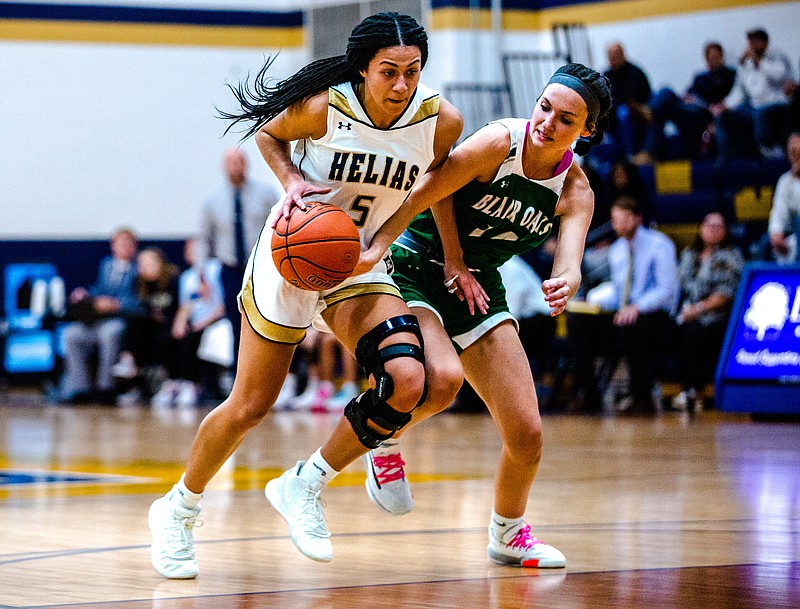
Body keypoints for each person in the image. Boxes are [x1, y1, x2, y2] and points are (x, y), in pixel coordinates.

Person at [148, 12, 463, 577]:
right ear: (362, 70)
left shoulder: (440, 122)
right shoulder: (328, 107)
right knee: (249, 406)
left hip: (359, 260)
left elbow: (435, 185)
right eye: (388, 72)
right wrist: (292, 182)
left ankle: (304, 483)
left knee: (411, 378)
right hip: (293, 254)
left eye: (412, 71)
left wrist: (405, 244)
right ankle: (179, 508)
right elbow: (268, 133)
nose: (401, 85)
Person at [356, 62, 612, 567]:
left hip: (478, 282)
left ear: (587, 130)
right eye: (544, 107)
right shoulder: (500, 142)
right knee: (438, 380)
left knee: (527, 431)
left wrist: (567, 282)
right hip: (416, 260)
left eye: (566, 119)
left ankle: (507, 532)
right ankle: (383, 438)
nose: (547, 123)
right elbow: (431, 188)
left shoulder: (576, 191)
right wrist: (399, 249)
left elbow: (570, 261)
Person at [199, 148, 281, 365]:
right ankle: (239, 378)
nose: (235, 167)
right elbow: (205, 239)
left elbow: (279, 228)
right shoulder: (212, 201)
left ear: (247, 165)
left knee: (268, 319)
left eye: (239, 162)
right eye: (231, 163)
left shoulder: (266, 194)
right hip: (230, 268)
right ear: (224, 167)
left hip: (261, 267)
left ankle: (271, 373)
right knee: (236, 323)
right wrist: (202, 275)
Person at [607, 195, 678, 414]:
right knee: (580, 320)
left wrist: (636, 307)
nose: (619, 224)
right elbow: (618, 291)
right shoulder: (616, 250)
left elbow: (666, 290)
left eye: (624, 218)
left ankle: (641, 395)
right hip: (628, 311)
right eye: (615, 219)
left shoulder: (660, 244)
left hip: (658, 314)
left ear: (638, 218)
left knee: (632, 325)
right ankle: (586, 393)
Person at [59, 228, 139, 404]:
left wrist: (115, 304)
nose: (124, 247)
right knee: (71, 334)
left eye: (128, 243)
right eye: (120, 243)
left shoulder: (138, 269)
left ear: (134, 247)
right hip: (97, 319)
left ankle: (106, 388)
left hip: (120, 319)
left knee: (110, 333)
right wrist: (85, 294)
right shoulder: (106, 265)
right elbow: (99, 289)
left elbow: (140, 300)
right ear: (113, 246)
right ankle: (80, 388)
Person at [673, 213, 743, 413]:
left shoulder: (731, 256)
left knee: (696, 332)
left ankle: (692, 390)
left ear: (726, 231)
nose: (713, 229)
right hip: (686, 312)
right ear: (700, 228)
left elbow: (725, 295)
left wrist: (697, 309)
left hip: (717, 316)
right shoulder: (689, 254)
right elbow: (679, 287)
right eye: (709, 225)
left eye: (718, 226)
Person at [151, 237, 226, 408]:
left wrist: (203, 323)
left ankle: (192, 384)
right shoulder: (186, 277)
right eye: (189, 250)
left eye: (196, 250)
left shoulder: (216, 269)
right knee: (168, 336)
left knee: (192, 339)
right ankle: (173, 383)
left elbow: (223, 305)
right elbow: (185, 305)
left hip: (215, 319)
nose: (193, 254)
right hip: (195, 320)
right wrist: (179, 322)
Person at [642, 42, 736, 160]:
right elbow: (687, 94)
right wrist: (688, 99)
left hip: (705, 114)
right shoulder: (700, 77)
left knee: (662, 103)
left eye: (715, 57)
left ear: (721, 57)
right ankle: (651, 112)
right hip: (690, 110)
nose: (712, 61)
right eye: (709, 58)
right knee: (665, 92)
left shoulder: (729, 75)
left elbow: (729, 101)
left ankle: (649, 115)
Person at [113, 247, 180, 405]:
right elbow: (138, 307)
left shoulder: (174, 280)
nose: (144, 266)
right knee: (134, 322)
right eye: (141, 263)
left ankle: (168, 386)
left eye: (149, 262)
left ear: (160, 263)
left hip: (171, 326)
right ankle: (128, 365)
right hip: (148, 328)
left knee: (161, 338)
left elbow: (180, 307)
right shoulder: (139, 283)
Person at [714, 28, 792, 160]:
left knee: (760, 114)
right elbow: (739, 91)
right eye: (750, 41)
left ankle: (768, 151)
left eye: (755, 41)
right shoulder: (746, 63)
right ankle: (725, 157)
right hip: (753, 105)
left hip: (775, 103)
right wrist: (725, 105)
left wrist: (759, 61)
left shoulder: (776, 56)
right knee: (723, 117)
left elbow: (779, 75)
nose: (751, 45)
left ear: (764, 42)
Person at [603, 42, 652, 163]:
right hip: (612, 120)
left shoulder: (636, 73)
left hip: (636, 117)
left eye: (617, 55)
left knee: (623, 113)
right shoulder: (605, 77)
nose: (615, 59)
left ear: (623, 55)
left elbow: (645, 97)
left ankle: (630, 156)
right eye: (611, 56)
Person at [767, 132, 800, 263]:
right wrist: (776, 233)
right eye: (793, 152)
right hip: (792, 231)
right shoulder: (786, 180)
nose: (797, 156)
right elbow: (779, 210)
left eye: (799, 152)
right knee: (765, 244)